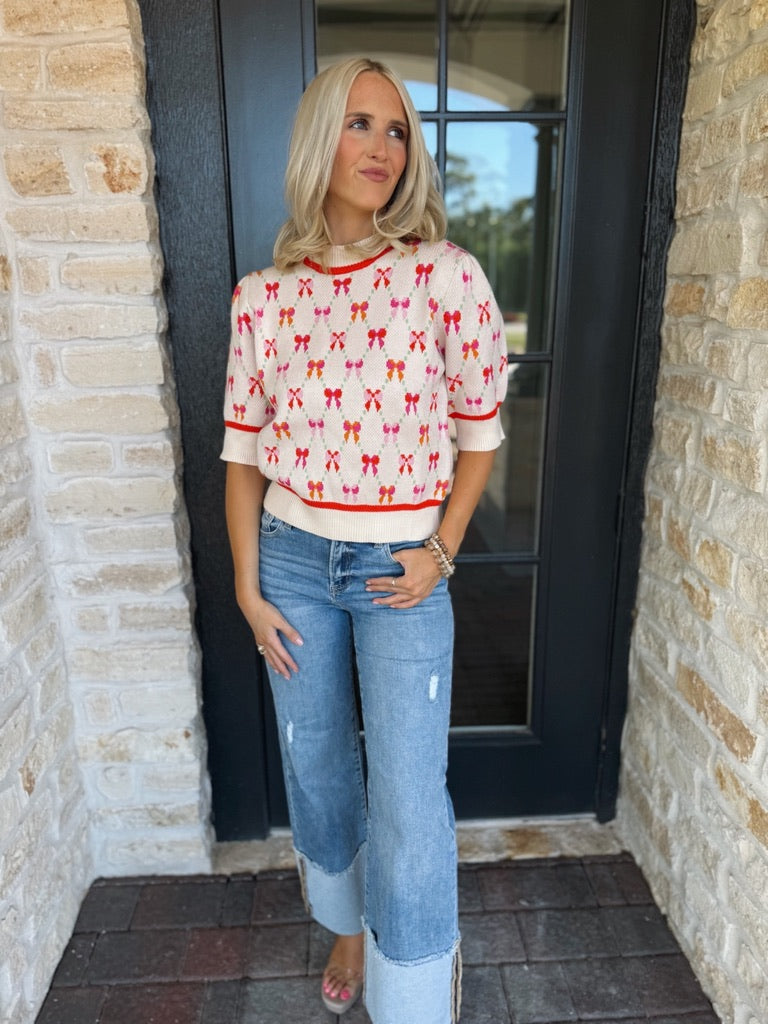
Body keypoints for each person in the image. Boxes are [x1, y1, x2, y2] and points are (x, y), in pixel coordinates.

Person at [221, 56, 507, 1024]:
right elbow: (243, 456)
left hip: (401, 568)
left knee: (409, 792)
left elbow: (480, 432)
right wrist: (249, 591)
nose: (380, 146)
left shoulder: (443, 274)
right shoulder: (264, 295)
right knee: (317, 763)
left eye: (396, 129)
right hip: (292, 562)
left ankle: (416, 991)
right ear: (316, 141)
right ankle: (348, 922)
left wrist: (444, 548)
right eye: (357, 123)